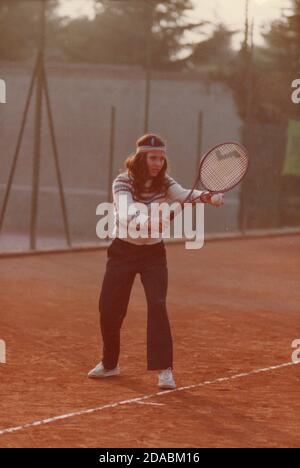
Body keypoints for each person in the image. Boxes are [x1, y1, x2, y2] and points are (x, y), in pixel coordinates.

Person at [88, 133, 224, 389]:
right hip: (122, 252)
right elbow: (126, 210)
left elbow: (184, 194)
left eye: (161, 158)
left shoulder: (165, 182)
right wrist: (144, 221)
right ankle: (110, 364)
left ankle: (164, 370)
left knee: (157, 305)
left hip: (153, 255)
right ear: (140, 157)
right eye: (152, 157)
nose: (157, 163)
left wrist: (207, 196)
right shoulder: (122, 182)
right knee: (109, 309)